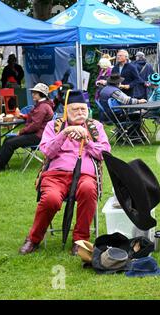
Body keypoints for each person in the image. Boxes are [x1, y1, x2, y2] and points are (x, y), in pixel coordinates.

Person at [18, 90, 111, 255]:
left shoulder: (95, 127)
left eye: (83, 109)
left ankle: (80, 241)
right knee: (51, 200)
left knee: (89, 190)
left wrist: (87, 142)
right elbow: (47, 152)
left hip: (85, 176)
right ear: (67, 110)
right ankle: (33, 239)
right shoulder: (54, 126)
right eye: (75, 110)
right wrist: (64, 134)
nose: (80, 113)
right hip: (56, 176)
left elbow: (105, 153)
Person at [0, 83, 54, 172]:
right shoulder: (41, 105)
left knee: (10, 143)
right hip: (36, 134)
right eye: (33, 92)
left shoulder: (43, 107)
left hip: (38, 136)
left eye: (35, 93)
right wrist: (23, 116)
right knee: (7, 140)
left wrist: (21, 131)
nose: (32, 94)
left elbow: (35, 126)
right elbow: (34, 117)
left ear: (42, 94)